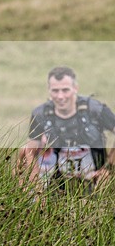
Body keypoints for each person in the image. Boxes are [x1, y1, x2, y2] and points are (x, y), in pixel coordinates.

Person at [21, 66, 115, 194]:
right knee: (22, 152)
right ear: (49, 90)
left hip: (97, 180)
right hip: (58, 183)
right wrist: (36, 189)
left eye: (65, 90)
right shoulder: (40, 114)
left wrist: (109, 169)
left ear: (75, 88)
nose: (60, 96)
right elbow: (30, 153)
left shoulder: (96, 110)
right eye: (55, 91)